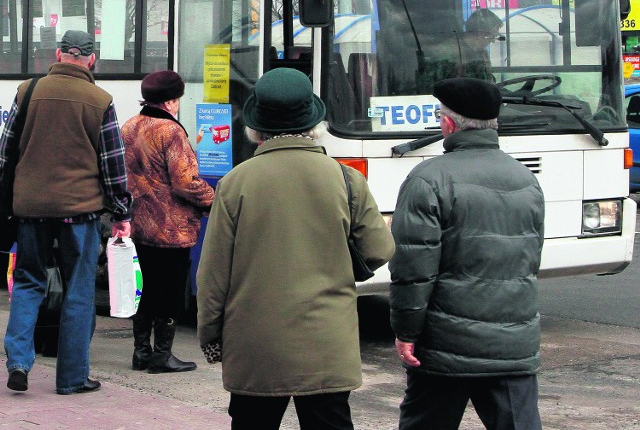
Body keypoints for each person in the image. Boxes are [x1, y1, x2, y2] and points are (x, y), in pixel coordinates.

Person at [196, 67, 395, 430]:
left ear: (256, 128)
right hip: (326, 340)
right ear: (314, 123)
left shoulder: (234, 183)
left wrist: (210, 333)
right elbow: (379, 249)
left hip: (255, 343)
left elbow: (213, 274)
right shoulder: (346, 179)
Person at [389, 77, 545, 430]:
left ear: (447, 123)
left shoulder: (428, 179)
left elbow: (413, 269)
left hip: (445, 348)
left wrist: (406, 332)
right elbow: (529, 259)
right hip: (513, 346)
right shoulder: (526, 178)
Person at [1, 30, 132, 394]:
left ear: (57, 55)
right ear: (92, 60)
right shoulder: (99, 99)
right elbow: (112, 163)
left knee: (28, 281)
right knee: (79, 290)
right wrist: (122, 210)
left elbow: (4, 150)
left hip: (30, 207)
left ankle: (19, 363)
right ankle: (72, 378)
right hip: (80, 211)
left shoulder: (27, 91)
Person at [121, 70, 214, 374]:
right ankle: (162, 355)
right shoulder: (171, 131)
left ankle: (141, 353)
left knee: (144, 288)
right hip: (171, 227)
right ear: (172, 101)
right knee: (170, 290)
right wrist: (214, 200)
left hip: (139, 224)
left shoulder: (130, 126)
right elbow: (185, 182)